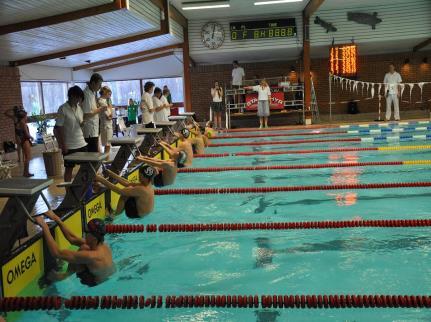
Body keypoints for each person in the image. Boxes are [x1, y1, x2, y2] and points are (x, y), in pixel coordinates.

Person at [35, 210, 114, 287]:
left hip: (94, 281)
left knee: (81, 251)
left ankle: (62, 276)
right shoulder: (100, 245)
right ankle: (64, 261)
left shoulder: (92, 256)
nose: (84, 233)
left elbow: (56, 253)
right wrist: (56, 219)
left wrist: (44, 226)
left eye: (87, 232)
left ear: (94, 238)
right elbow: (72, 239)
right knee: (83, 248)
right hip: (104, 276)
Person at [55, 86, 88, 182]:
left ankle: (84, 188)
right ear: (72, 96)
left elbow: (79, 124)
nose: (79, 100)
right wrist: (63, 145)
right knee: (69, 169)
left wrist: (82, 123)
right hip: (69, 145)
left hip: (81, 143)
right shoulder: (62, 109)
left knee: (85, 167)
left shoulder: (79, 108)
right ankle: (68, 191)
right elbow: (59, 128)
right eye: (78, 97)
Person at [82, 73, 105, 152]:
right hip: (89, 131)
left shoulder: (92, 93)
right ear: (93, 83)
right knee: (92, 155)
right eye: (99, 84)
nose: (100, 87)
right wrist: (100, 109)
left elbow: (92, 110)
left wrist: (98, 108)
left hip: (94, 128)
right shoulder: (86, 94)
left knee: (95, 152)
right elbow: (87, 114)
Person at [15, 110, 34, 177]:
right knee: (28, 157)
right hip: (25, 141)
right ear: (23, 116)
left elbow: (18, 134)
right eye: (26, 116)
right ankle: (26, 173)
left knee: (27, 157)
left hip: (22, 141)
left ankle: (26, 172)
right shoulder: (23, 123)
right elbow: (26, 134)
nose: (27, 117)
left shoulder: (18, 123)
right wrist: (32, 137)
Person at [98, 86, 113, 155]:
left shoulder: (105, 101)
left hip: (107, 124)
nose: (110, 96)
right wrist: (110, 106)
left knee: (108, 144)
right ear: (105, 93)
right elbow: (109, 116)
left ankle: (106, 160)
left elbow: (111, 115)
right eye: (109, 94)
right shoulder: (101, 101)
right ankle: (106, 160)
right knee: (107, 144)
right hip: (106, 125)